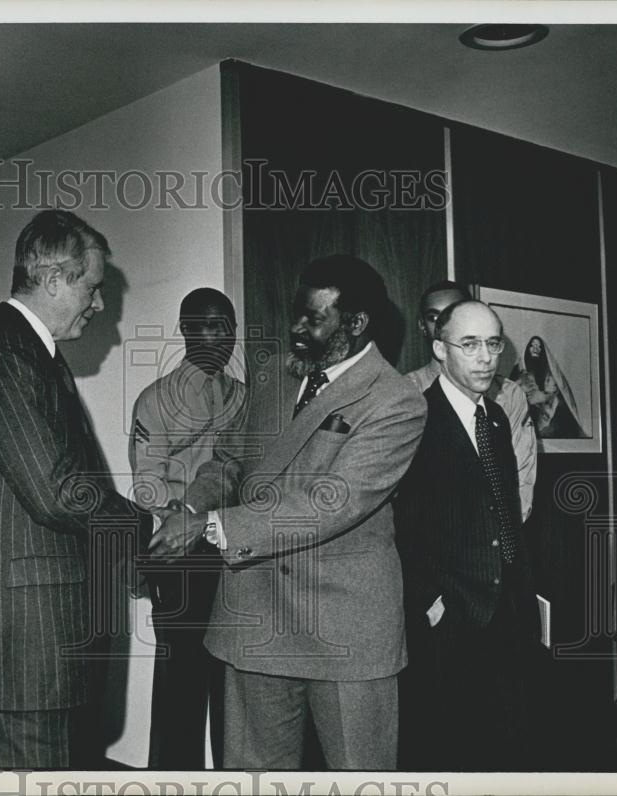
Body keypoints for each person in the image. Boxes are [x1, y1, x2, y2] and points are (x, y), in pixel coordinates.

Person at [150, 254, 427, 770]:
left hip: (343, 628)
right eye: (295, 313)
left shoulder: (396, 401)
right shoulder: (275, 372)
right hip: (254, 616)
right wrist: (190, 503)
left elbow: (331, 502)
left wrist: (211, 526)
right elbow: (231, 459)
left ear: (356, 323)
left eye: (313, 318)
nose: (296, 328)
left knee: (358, 779)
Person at [0, 209, 158, 769]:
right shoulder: (5, 351)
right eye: (93, 287)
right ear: (54, 280)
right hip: (24, 641)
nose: (99, 304)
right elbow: (55, 490)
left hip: (32, 634)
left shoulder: (28, 353)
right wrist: (143, 523)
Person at [395, 300, 541, 771]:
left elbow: (504, 509)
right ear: (440, 348)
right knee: (448, 752)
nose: (485, 357)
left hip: (507, 615)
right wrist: (428, 600)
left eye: (493, 344)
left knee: (506, 749)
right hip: (448, 622)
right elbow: (393, 520)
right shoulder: (412, 419)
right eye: (470, 344)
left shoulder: (496, 418)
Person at [129, 288, 246, 769]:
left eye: (228, 325)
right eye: (208, 324)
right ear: (184, 328)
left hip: (229, 551)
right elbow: (145, 482)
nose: (221, 335)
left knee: (231, 689)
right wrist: (181, 513)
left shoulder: (243, 398)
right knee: (179, 687)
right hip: (180, 555)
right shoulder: (156, 400)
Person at [406, 281, 537, 521]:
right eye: (434, 317)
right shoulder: (406, 393)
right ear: (422, 326)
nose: (442, 323)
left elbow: (522, 477)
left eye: (455, 311)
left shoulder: (507, 394)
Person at [511, 335, 587, 439]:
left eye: (538, 346)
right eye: (532, 345)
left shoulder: (549, 372)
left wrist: (543, 397)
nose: (535, 349)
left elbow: (558, 396)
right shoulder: (519, 370)